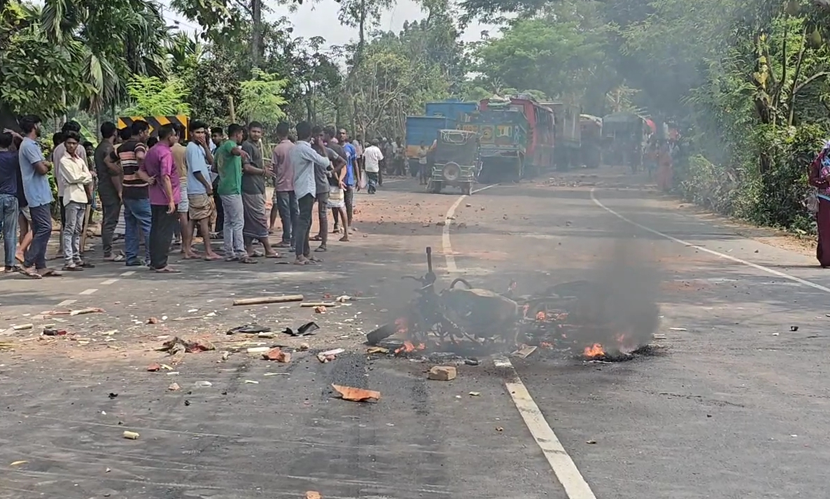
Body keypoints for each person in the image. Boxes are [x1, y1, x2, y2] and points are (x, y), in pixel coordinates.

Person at [108, 120, 151, 266]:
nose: (148, 135)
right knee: (147, 224)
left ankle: (131, 257)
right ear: (141, 132)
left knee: (131, 226)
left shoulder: (121, 147)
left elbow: (108, 160)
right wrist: (142, 170)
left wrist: (121, 170)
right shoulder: (140, 146)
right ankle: (151, 257)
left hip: (127, 190)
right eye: (147, 132)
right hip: (140, 190)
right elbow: (140, 156)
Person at [18, 115, 57, 278]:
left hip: (40, 192)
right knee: (45, 228)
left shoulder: (31, 145)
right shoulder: (28, 146)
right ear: (34, 126)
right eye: (39, 124)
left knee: (40, 227)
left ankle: (41, 265)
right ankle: (28, 262)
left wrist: (45, 164)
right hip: (36, 193)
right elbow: (41, 168)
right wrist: (47, 165)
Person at [289, 121, 331, 265]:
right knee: (304, 221)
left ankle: (305, 252)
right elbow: (325, 162)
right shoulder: (305, 149)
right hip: (306, 188)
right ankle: (299, 254)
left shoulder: (296, 148)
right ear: (310, 135)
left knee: (307, 221)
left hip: (302, 187)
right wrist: (321, 146)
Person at [141, 124, 180, 273]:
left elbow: (140, 171)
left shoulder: (152, 151)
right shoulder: (165, 153)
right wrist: (170, 199)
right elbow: (165, 176)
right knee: (165, 231)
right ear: (170, 136)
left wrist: (149, 180)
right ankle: (161, 263)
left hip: (154, 196)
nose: (176, 138)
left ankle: (155, 261)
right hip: (165, 198)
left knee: (156, 229)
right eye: (175, 135)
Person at [215, 123, 254, 263]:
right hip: (232, 189)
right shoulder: (229, 145)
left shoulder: (219, 149)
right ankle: (240, 252)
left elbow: (214, 167)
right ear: (237, 134)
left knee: (229, 222)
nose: (242, 137)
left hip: (224, 187)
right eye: (241, 134)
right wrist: (240, 152)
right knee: (238, 221)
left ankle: (229, 251)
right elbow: (233, 150)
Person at [240, 121, 278, 258]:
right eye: (253, 131)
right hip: (251, 187)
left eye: (258, 132)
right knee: (260, 218)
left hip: (257, 186)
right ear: (248, 131)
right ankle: (268, 248)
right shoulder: (247, 146)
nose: (256, 134)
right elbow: (247, 167)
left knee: (251, 219)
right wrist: (263, 171)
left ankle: (249, 248)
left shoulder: (256, 146)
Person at [59, 131, 94, 271]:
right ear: (65, 144)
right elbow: (74, 178)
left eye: (74, 143)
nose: (72, 146)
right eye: (69, 143)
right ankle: (69, 260)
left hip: (81, 197)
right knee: (69, 228)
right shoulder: (63, 161)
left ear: (77, 145)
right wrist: (84, 176)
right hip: (71, 197)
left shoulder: (79, 160)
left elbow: (88, 176)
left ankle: (76, 256)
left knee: (77, 229)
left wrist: (83, 176)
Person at [185, 120, 220, 260]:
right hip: (198, 189)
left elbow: (212, 163)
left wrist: (205, 145)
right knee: (204, 220)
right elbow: (196, 171)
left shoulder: (199, 147)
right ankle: (208, 251)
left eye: (203, 133)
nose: (201, 135)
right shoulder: (192, 148)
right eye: (198, 132)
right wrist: (207, 186)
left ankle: (187, 249)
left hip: (198, 189)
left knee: (193, 220)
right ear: (192, 134)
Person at [95, 121, 122, 261]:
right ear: (114, 133)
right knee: (111, 220)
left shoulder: (99, 148)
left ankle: (107, 249)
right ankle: (108, 251)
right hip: (110, 188)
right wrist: (120, 190)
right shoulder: (109, 149)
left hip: (103, 186)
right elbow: (113, 173)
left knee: (107, 219)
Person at [170, 123, 197, 258]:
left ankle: (173, 240)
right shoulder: (185, 150)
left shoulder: (166, 149)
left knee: (169, 215)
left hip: (168, 184)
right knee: (183, 215)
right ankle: (185, 246)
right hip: (183, 183)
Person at [270, 122, 298, 248]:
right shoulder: (295, 147)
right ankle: (295, 238)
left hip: (282, 185)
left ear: (278, 133)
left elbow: (275, 169)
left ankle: (286, 238)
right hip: (294, 184)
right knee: (294, 212)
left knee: (285, 213)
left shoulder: (277, 149)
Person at [0, 131, 20, 272]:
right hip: (11, 197)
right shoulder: (14, 157)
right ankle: (9, 264)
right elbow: (25, 143)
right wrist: (15, 135)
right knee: (10, 232)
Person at [809, 142, 830, 267]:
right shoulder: (820, 162)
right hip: (825, 200)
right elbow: (812, 180)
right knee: (826, 230)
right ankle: (826, 259)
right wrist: (825, 182)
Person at [337, 128, 359, 231]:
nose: (341, 135)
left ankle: (348, 225)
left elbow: (355, 163)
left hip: (349, 179)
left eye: (343, 133)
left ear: (346, 135)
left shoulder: (351, 148)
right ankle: (336, 224)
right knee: (336, 203)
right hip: (337, 180)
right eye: (340, 133)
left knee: (348, 203)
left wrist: (358, 179)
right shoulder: (335, 148)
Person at [210, 126, 225, 235]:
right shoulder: (214, 150)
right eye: (213, 136)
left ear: (222, 136)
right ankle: (219, 230)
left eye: (216, 136)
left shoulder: (222, 150)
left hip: (221, 182)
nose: (214, 138)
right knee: (219, 208)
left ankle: (221, 230)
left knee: (222, 208)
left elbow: (216, 166)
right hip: (215, 182)